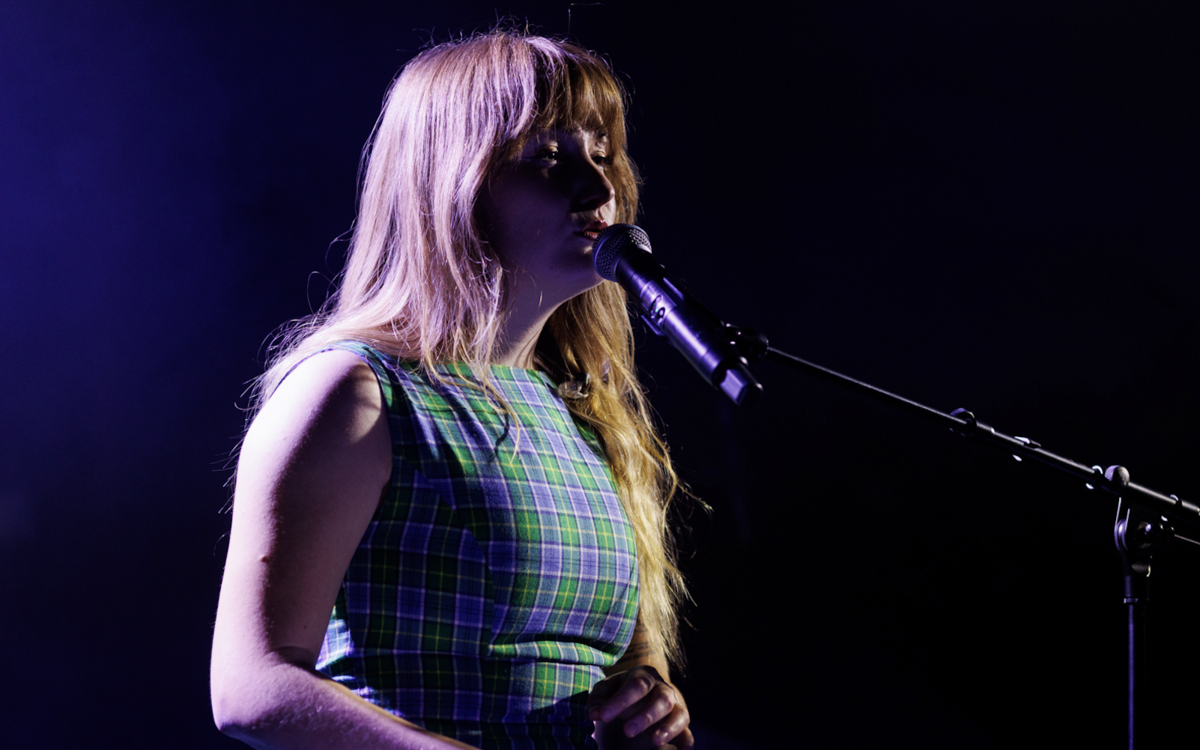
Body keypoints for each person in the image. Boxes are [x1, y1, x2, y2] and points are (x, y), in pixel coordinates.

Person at [210, 31, 695, 750]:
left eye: (601, 154)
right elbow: (253, 687)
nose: (599, 190)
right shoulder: (356, 392)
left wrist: (651, 698)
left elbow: (614, 657)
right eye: (548, 159)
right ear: (454, 179)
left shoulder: (583, 413)